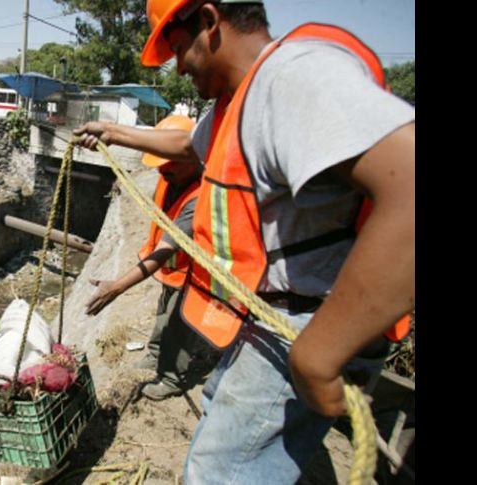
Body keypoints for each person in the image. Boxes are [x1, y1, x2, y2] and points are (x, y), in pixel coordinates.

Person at [73, 1, 414, 483]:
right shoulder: (239, 102)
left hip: (308, 320)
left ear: (209, 22)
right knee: (220, 407)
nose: (177, 65)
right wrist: (115, 132)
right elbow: (192, 145)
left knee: (218, 472)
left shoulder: (290, 79)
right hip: (273, 316)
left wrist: (319, 353)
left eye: (176, 47)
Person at [86, 115, 217, 401]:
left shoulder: (200, 198)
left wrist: (118, 286)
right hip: (173, 271)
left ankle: (172, 378)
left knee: (180, 324)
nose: (163, 172)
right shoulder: (172, 178)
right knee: (163, 314)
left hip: (193, 275)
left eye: (169, 165)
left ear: (190, 156)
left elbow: (166, 250)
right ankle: (156, 353)